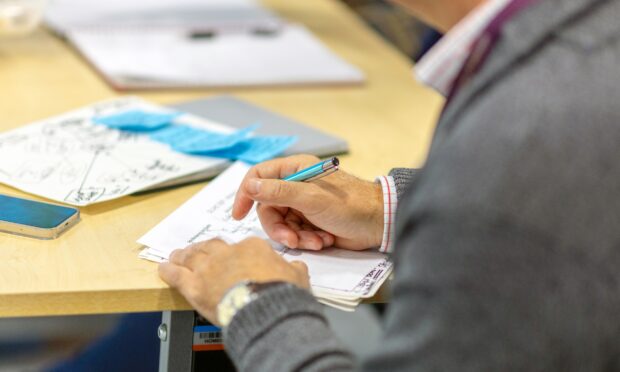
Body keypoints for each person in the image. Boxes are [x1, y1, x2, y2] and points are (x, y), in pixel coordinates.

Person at [159, 0, 620, 370]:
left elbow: (518, 188)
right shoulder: (586, 42)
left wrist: (255, 305)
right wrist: (389, 206)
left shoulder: (519, 132)